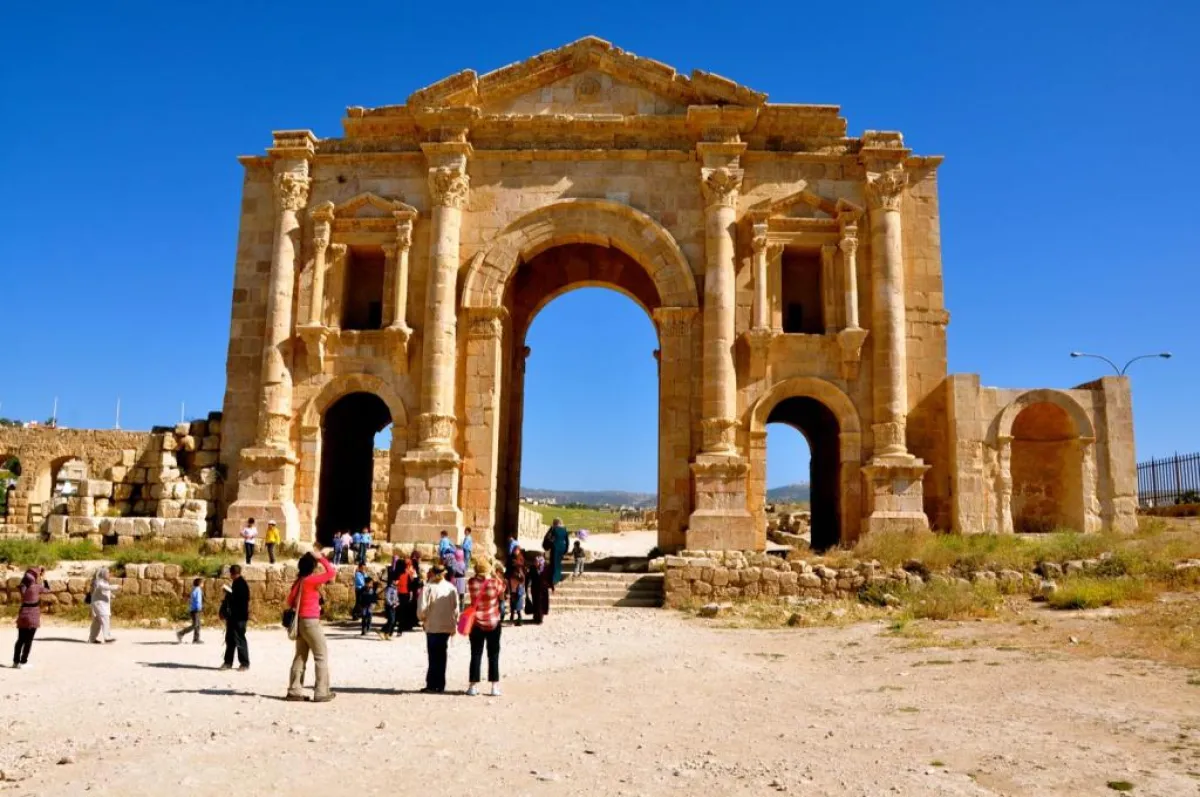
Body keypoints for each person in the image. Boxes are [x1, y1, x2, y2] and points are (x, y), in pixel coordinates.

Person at [286, 551, 338, 702]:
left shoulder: (299, 582)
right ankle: (321, 691)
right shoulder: (311, 580)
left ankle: (294, 690)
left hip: (300, 622)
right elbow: (331, 573)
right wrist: (321, 558)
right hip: (311, 622)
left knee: (300, 656)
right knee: (321, 655)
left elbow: (290, 601)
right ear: (312, 567)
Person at [417, 565, 459, 694]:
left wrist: (422, 619)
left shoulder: (428, 588)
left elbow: (422, 608)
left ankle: (431, 684)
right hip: (446, 626)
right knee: (442, 656)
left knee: (433, 656)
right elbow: (456, 608)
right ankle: (440, 684)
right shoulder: (451, 588)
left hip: (433, 625)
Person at [466, 561, 504, 697]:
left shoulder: (471, 583)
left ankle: (473, 686)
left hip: (476, 622)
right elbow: (502, 592)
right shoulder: (494, 583)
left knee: (476, 654)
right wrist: (494, 574)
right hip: (493, 621)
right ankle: (494, 686)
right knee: (493, 654)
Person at [14, 567, 47, 669]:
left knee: (20, 640)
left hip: (23, 614)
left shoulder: (22, 586)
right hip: (33, 615)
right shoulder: (36, 587)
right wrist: (44, 578)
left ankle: (15, 662)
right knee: (28, 640)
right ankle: (23, 662)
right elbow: (48, 589)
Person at [220, 565, 251, 671]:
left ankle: (244, 663)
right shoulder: (238, 583)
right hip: (234, 617)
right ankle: (228, 662)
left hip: (239, 617)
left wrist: (228, 594)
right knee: (230, 639)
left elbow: (239, 600)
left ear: (232, 573)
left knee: (239, 639)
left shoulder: (240, 584)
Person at [88, 567, 120, 643]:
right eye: (107, 573)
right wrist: (116, 587)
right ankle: (107, 637)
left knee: (97, 622)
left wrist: (111, 595)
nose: (109, 575)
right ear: (103, 574)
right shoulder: (98, 582)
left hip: (101, 605)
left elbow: (105, 590)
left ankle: (92, 639)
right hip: (99, 605)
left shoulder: (104, 582)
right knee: (105, 619)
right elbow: (105, 588)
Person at [176, 577, 204, 644]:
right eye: (202, 583)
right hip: (195, 609)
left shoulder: (195, 589)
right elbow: (197, 600)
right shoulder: (197, 590)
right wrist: (198, 607)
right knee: (195, 625)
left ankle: (196, 639)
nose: (203, 584)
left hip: (195, 609)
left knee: (198, 625)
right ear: (200, 583)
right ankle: (181, 633)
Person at [526, 554, 549, 625]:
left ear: (540, 561)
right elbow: (528, 577)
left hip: (543, 589)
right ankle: (536, 617)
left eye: (536, 561)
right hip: (535, 588)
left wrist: (551, 586)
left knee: (541, 604)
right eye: (534, 561)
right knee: (536, 602)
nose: (535, 562)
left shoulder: (545, 568)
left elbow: (549, 577)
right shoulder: (532, 568)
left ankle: (540, 619)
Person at [545, 518, 569, 586]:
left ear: (554, 523)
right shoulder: (564, 529)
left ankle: (554, 580)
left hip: (555, 547)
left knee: (554, 563)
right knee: (558, 563)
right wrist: (566, 549)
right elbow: (567, 541)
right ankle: (557, 577)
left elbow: (548, 537)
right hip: (562, 547)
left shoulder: (554, 529)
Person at [506, 546, 526, 626]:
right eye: (515, 550)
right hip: (512, 580)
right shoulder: (510, 558)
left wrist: (517, 564)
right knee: (512, 598)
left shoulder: (521, 558)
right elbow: (508, 568)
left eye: (517, 550)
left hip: (519, 581)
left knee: (519, 599)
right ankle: (512, 615)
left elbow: (522, 568)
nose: (515, 551)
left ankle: (519, 618)